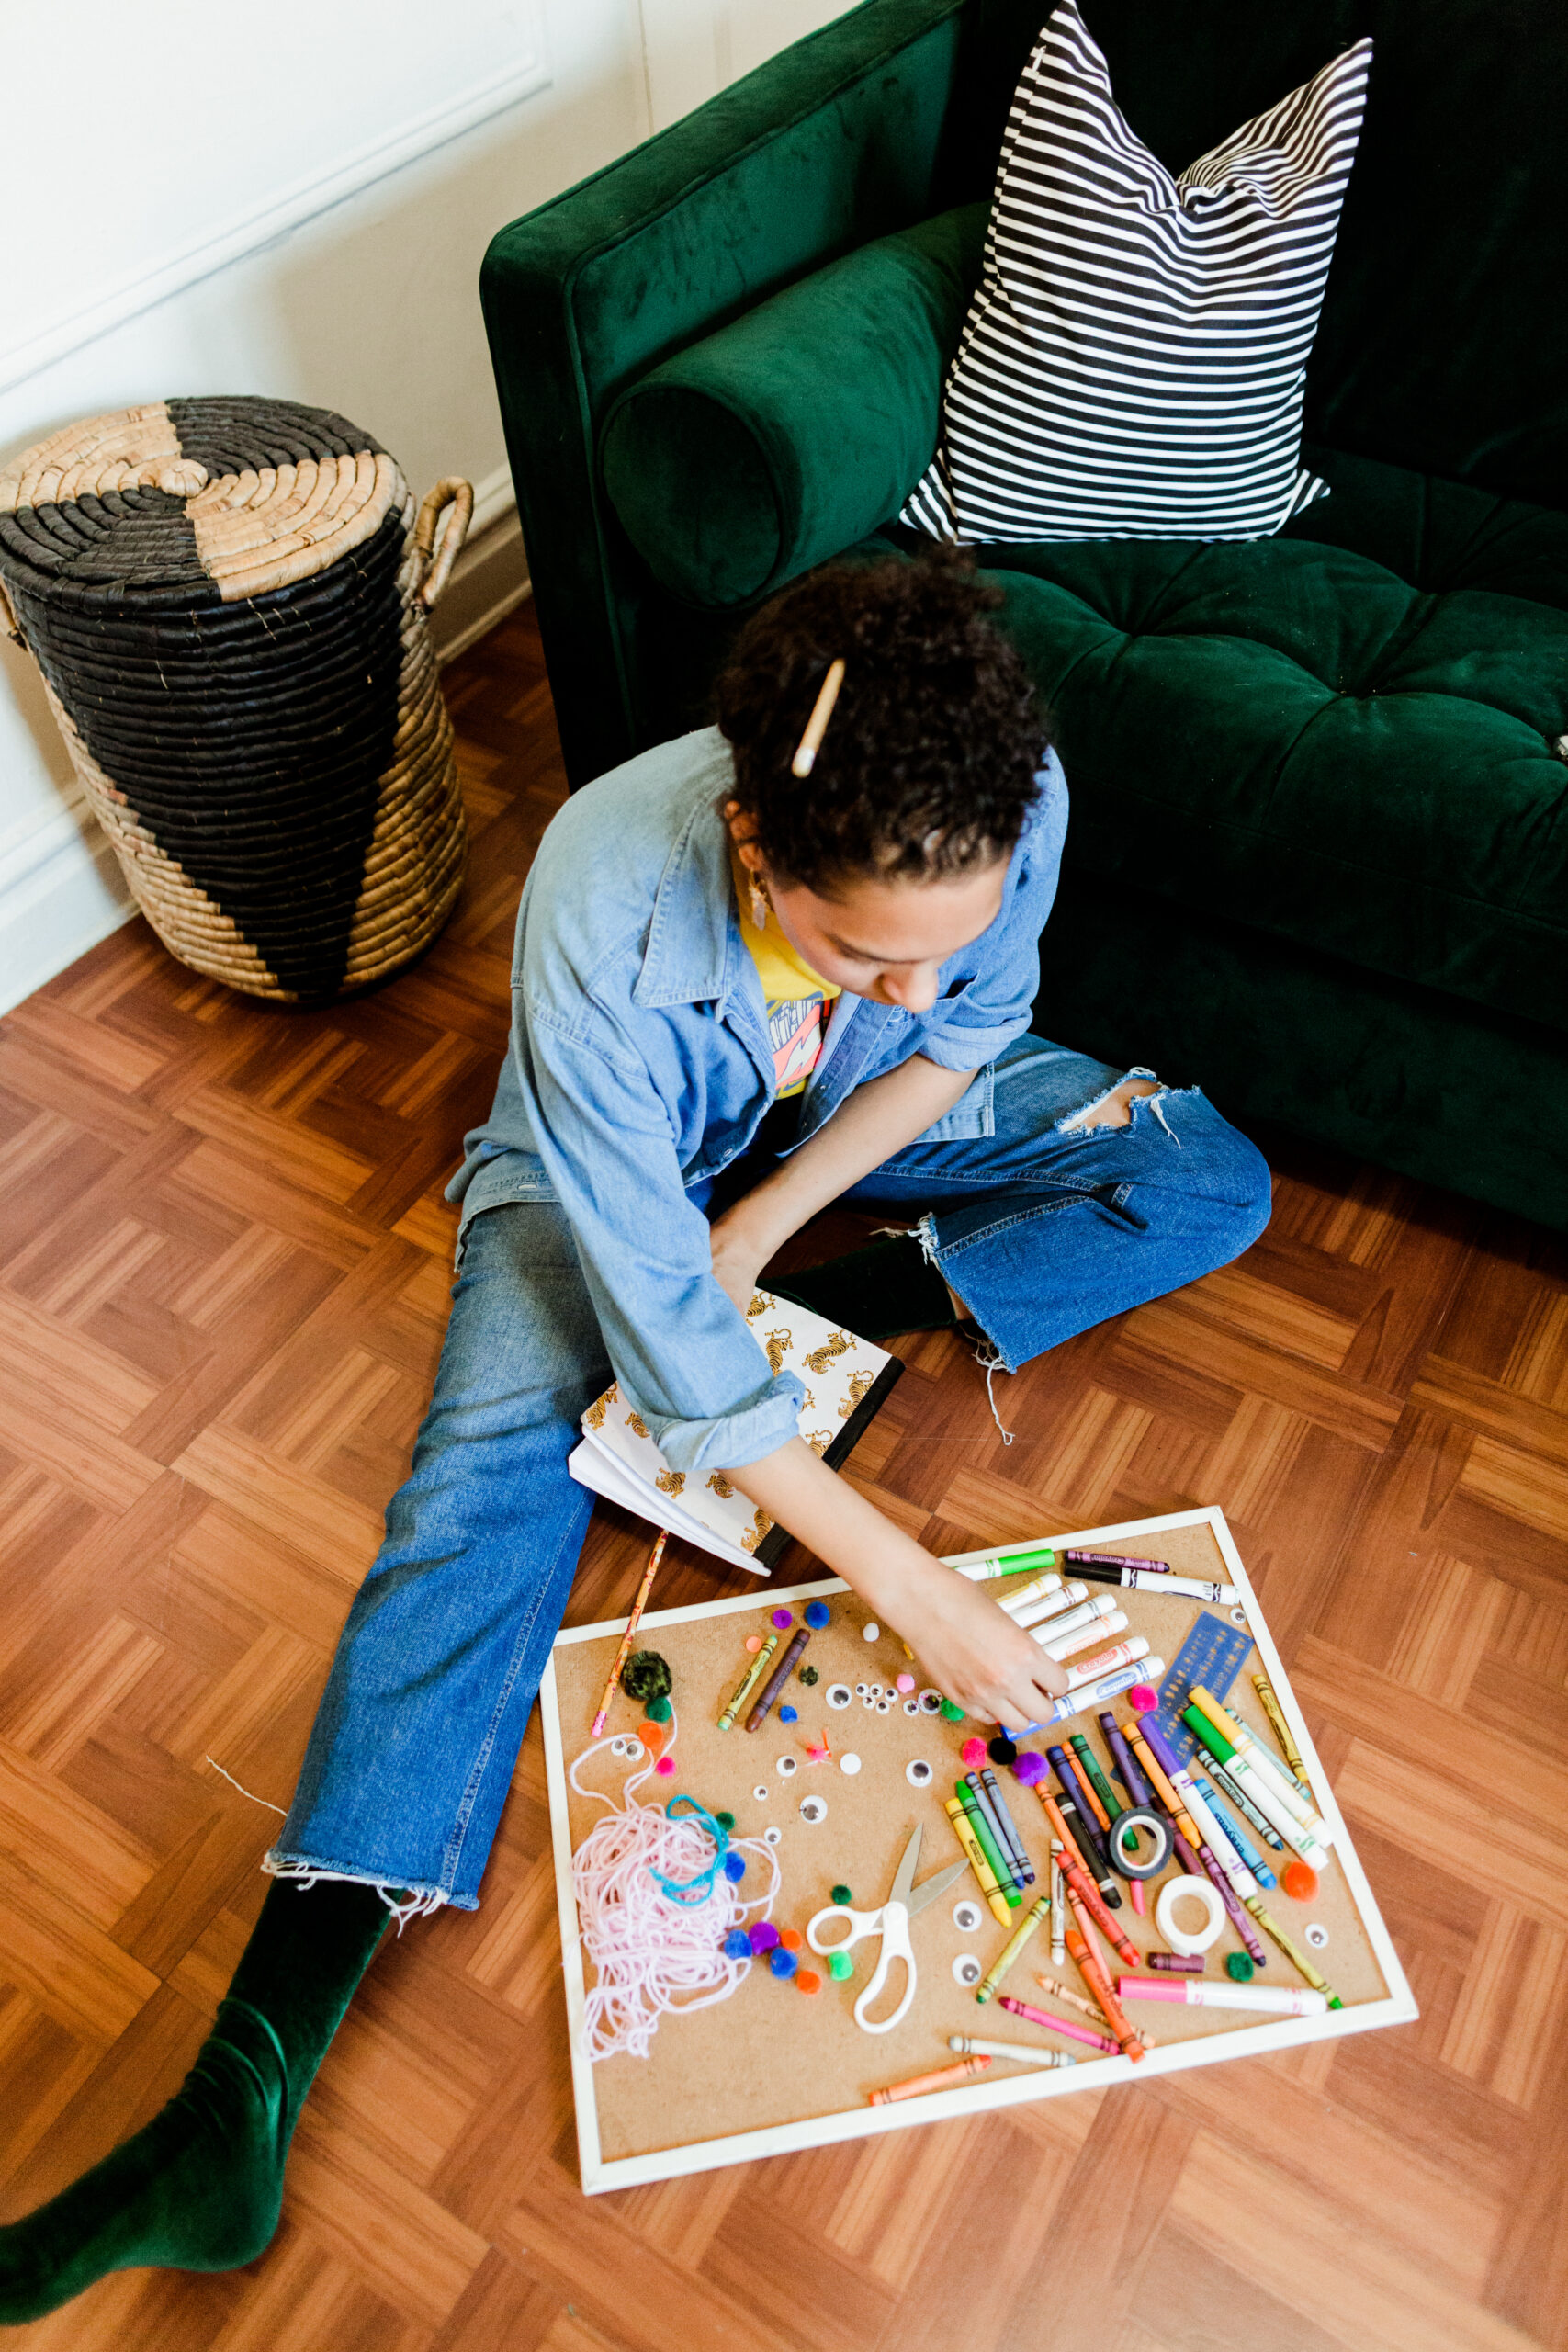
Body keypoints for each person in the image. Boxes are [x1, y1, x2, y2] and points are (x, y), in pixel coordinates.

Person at [0, 553, 1270, 2317]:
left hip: (833, 1134)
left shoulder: (1003, 793)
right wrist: (907, 1580)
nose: (913, 977)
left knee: (1202, 1169)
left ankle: (835, 1311)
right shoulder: (598, 898)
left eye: (945, 936)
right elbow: (666, 1338)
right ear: (755, 844)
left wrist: (761, 1240)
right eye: (861, 944)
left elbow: (944, 1042)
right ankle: (240, 2089)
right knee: (479, 1480)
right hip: (603, 1166)